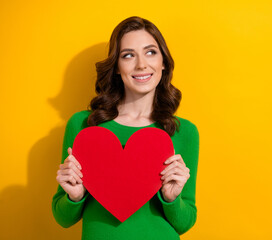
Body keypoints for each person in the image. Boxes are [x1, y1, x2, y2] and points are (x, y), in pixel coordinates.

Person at [51, 16, 200, 240]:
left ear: (163, 63)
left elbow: (186, 222)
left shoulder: (184, 131)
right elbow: (63, 218)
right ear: (117, 68)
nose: (141, 64)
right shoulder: (83, 126)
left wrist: (171, 198)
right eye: (128, 55)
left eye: (151, 52)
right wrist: (75, 196)